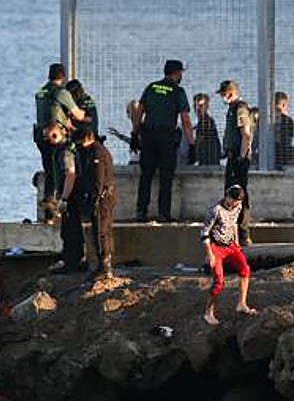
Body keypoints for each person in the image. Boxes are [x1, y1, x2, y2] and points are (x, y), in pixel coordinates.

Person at [132, 59, 194, 223]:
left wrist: (135, 132)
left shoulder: (151, 87)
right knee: (166, 176)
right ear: (176, 73)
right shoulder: (178, 91)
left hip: (148, 135)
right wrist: (191, 143)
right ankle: (163, 213)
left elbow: (139, 111)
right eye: (180, 72)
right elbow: (186, 120)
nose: (181, 76)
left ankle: (141, 211)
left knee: (146, 175)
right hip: (166, 136)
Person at [58, 123, 117, 279]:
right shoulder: (88, 151)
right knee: (96, 232)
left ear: (89, 138)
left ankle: (105, 267)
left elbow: (99, 179)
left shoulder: (98, 153)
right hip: (95, 197)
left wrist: (95, 200)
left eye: (81, 142)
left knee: (102, 232)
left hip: (102, 199)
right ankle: (99, 265)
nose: (79, 145)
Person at [200, 185, 257, 326]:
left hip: (230, 245)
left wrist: (236, 243)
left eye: (237, 202)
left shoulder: (238, 207)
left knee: (245, 270)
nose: (234, 205)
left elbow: (234, 224)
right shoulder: (215, 211)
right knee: (219, 282)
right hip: (216, 247)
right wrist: (210, 255)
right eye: (233, 201)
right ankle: (208, 312)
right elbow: (204, 234)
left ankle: (242, 303)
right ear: (227, 196)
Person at [34, 63, 78, 221]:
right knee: (60, 172)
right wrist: (85, 116)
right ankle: (56, 207)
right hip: (56, 139)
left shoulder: (40, 92)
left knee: (49, 171)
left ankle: (48, 212)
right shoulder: (61, 92)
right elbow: (78, 114)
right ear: (63, 77)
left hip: (41, 137)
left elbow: (50, 112)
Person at [218, 80, 255, 243]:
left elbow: (246, 135)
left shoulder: (240, 109)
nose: (222, 97)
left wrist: (241, 156)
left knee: (238, 194)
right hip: (233, 155)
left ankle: (243, 232)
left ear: (231, 93)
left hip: (239, 157)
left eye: (224, 94)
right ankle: (231, 229)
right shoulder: (232, 109)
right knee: (231, 192)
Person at [192, 93, 223, 166]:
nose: (198, 109)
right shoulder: (207, 121)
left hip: (208, 161)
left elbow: (199, 141)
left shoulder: (205, 121)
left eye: (201, 106)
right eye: (195, 105)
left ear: (207, 106)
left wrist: (192, 156)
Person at [273, 91, 294, 166]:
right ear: (284, 104)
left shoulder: (266, 118)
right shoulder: (287, 120)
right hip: (282, 152)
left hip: (267, 151)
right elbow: (289, 140)